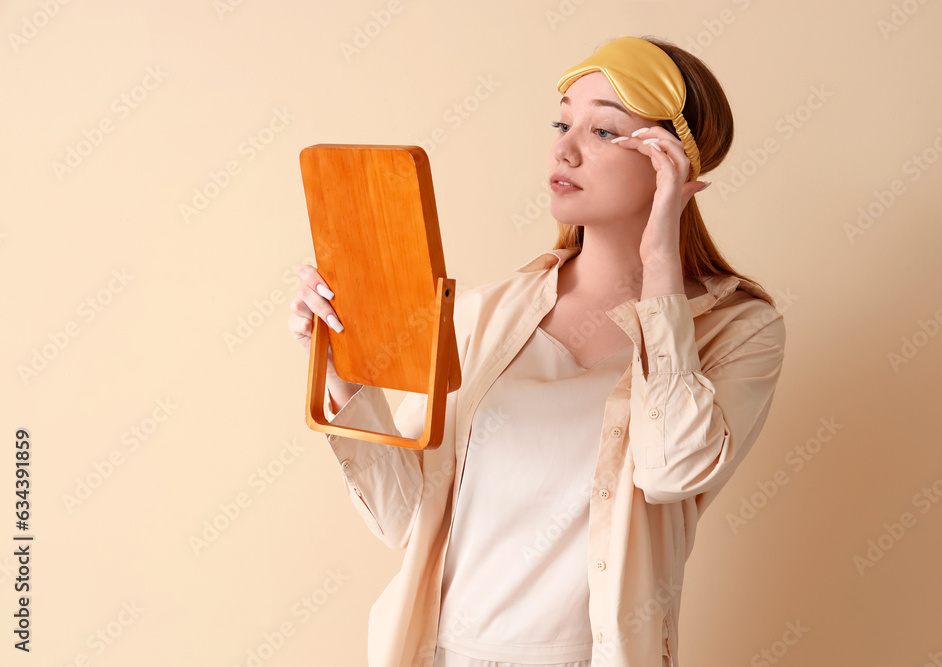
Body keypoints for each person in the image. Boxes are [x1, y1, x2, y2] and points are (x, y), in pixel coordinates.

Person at [288, 35, 786, 667]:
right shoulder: (482, 316)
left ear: (673, 162)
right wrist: (342, 376)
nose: (565, 147)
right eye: (562, 121)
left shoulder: (736, 330)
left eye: (605, 130)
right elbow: (407, 521)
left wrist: (660, 261)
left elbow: (672, 473)